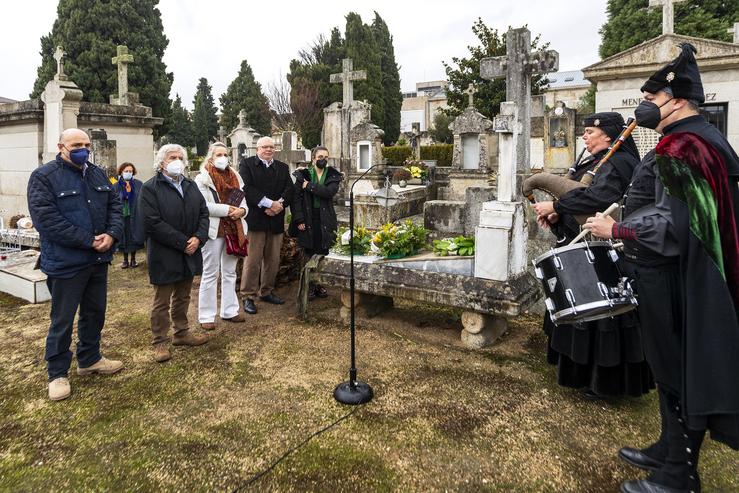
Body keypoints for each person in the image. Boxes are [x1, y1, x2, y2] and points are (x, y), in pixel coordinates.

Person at [584, 43, 739, 493]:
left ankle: (679, 474)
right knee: (668, 365)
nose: (644, 108)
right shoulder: (699, 139)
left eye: (651, 100)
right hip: (678, 272)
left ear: (678, 99)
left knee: (675, 369)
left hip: (674, 276)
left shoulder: (685, 146)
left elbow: (674, 224)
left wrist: (617, 231)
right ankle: (669, 447)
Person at [532, 113, 651, 400]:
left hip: (608, 252)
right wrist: (558, 217)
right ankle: (578, 373)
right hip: (586, 248)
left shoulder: (619, 163)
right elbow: (579, 199)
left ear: (608, 136)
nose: (584, 137)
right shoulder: (592, 161)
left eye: (589, 132)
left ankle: (605, 384)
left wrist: (557, 205)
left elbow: (597, 198)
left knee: (605, 318)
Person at [27, 128, 124, 401]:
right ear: (61, 146)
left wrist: (112, 234)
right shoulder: (44, 177)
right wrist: (88, 240)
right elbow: (47, 220)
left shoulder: (97, 173)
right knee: (62, 320)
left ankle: (89, 359)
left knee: (95, 312)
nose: (83, 148)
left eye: (86, 144)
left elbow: (114, 208)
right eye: (76, 144)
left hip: (97, 260)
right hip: (67, 262)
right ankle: (57, 373)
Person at [139, 144, 210, 363]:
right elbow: (152, 223)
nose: (177, 160)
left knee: (183, 295)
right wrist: (182, 242)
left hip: (190, 249)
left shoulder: (190, 185)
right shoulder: (150, 187)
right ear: (162, 162)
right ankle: (160, 340)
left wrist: (198, 237)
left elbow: (203, 213)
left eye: (180, 157)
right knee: (162, 299)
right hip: (165, 251)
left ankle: (181, 332)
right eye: (172, 157)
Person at [195, 142, 248, 330]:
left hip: (234, 229)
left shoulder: (235, 176)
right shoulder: (202, 179)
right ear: (211, 157)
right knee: (210, 272)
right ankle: (207, 315)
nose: (222, 157)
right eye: (218, 154)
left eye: (225, 154)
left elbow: (243, 201)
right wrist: (228, 210)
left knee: (230, 272)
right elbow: (204, 206)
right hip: (214, 230)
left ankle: (229, 310)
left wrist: (242, 211)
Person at [239, 136, 293, 314]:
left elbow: (289, 189)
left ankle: (267, 291)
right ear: (257, 149)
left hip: (275, 220)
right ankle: (248, 296)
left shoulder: (283, 167)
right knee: (252, 260)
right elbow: (247, 189)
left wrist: (280, 205)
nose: (268, 149)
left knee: (272, 259)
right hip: (256, 220)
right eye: (264, 147)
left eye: (271, 147)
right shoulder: (247, 165)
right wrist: (269, 204)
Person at [291, 146, 342, 299]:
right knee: (309, 251)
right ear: (313, 159)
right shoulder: (304, 174)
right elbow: (296, 198)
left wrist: (310, 186)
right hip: (307, 218)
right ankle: (309, 285)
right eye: (320, 157)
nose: (323, 160)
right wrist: (299, 219)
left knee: (322, 251)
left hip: (325, 219)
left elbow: (328, 193)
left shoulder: (333, 175)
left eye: (326, 157)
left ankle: (319, 284)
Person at [113, 162, 144, 268]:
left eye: (130, 171)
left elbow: (142, 199)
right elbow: (114, 200)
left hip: (135, 215)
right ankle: (125, 260)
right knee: (124, 237)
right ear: (121, 172)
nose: (128, 173)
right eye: (126, 171)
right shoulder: (116, 186)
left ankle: (133, 259)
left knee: (133, 236)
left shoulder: (138, 184)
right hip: (122, 216)